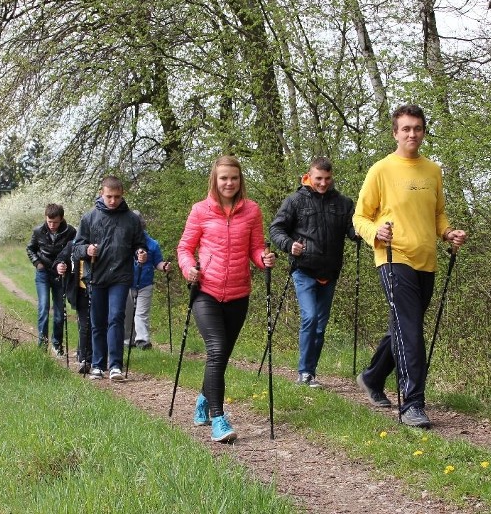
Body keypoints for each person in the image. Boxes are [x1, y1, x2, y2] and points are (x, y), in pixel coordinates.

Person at [353, 104, 467, 428]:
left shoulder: (433, 171)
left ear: (423, 131)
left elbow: (437, 214)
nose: (412, 134)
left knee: (404, 327)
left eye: (417, 128)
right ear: (395, 133)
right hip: (393, 257)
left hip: (426, 260)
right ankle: (412, 404)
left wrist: (448, 233)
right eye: (406, 129)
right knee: (412, 332)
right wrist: (377, 232)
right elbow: (360, 217)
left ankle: (373, 377)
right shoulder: (381, 170)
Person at [177, 155, 276, 443]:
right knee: (217, 350)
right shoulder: (200, 211)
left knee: (221, 357)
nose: (229, 182)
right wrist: (188, 268)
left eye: (234, 177)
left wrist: (263, 258)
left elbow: (255, 248)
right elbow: (185, 247)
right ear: (215, 179)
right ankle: (219, 419)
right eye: (224, 178)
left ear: (240, 179)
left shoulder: (252, 211)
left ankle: (203, 399)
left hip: (238, 294)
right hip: (206, 292)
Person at [269, 157, 358, 388]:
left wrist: (364, 233)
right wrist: (289, 245)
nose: (323, 183)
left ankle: (311, 372)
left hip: (330, 272)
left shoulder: (343, 203)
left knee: (320, 325)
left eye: (327, 178)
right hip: (304, 269)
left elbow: (353, 230)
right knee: (310, 317)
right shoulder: (295, 201)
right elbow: (276, 229)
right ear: (309, 176)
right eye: (319, 178)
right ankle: (304, 372)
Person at [71, 176, 147, 382]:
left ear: (123, 195)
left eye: (117, 197)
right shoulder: (89, 218)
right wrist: (87, 250)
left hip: (121, 276)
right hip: (95, 275)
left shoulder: (131, 219)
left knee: (116, 318)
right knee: (97, 321)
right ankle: (97, 365)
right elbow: (76, 248)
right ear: (101, 193)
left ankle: (115, 366)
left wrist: (141, 253)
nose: (113, 201)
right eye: (109, 196)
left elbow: (140, 243)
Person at [26, 203, 77, 356]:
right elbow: (30, 248)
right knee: (44, 308)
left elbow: (74, 251)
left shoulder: (71, 232)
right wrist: (37, 263)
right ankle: (42, 346)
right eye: (49, 222)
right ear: (45, 218)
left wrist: (66, 265)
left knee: (60, 312)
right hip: (43, 273)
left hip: (60, 274)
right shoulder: (38, 231)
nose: (52, 225)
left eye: (55, 222)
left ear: (61, 219)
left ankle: (57, 345)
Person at [124, 211, 172, 350]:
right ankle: (128, 340)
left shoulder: (152, 244)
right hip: (126, 283)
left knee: (141, 313)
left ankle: (142, 340)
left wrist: (164, 266)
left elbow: (157, 262)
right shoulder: (124, 242)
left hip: (145, 284)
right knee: (127, 314)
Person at [55, 243, 92, 374]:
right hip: (80, 291)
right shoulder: (73, 244)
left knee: (97, 324)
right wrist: (60, 266)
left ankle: (95, 357)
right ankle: (85, 359)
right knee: (85, 324)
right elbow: (61, 258)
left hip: (100, 289)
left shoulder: (102, 241)